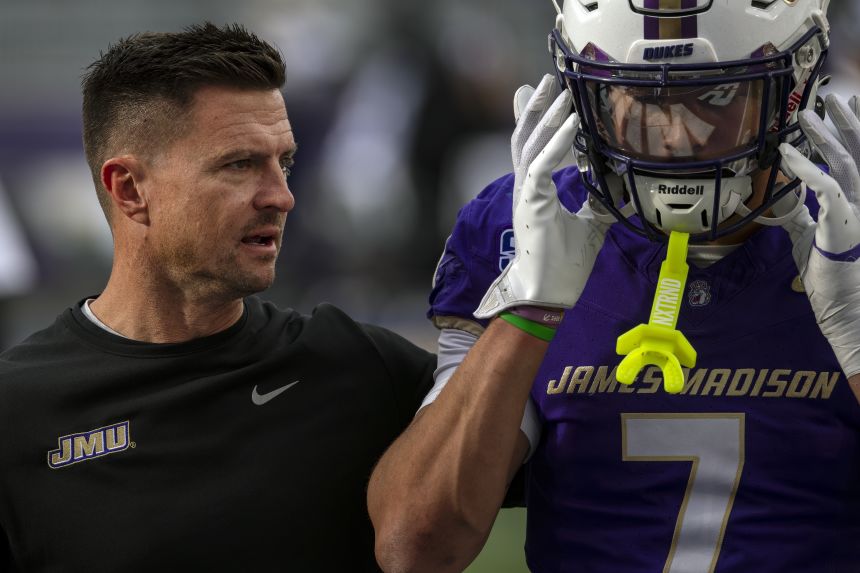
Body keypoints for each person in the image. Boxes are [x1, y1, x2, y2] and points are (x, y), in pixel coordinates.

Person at [369, 1, 860, 571]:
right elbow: (416, 549)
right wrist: (527, 310)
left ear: (796, 89)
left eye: (718, 96)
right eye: (644, 99)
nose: (677, 137)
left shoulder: (849, 226)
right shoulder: (521, 224)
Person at [0, 23, 436, 572]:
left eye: (285, 162)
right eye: (239, 164)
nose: (282, 196)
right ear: (129, 189)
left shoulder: (359, 365)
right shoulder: (16, 411)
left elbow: (559, 469)